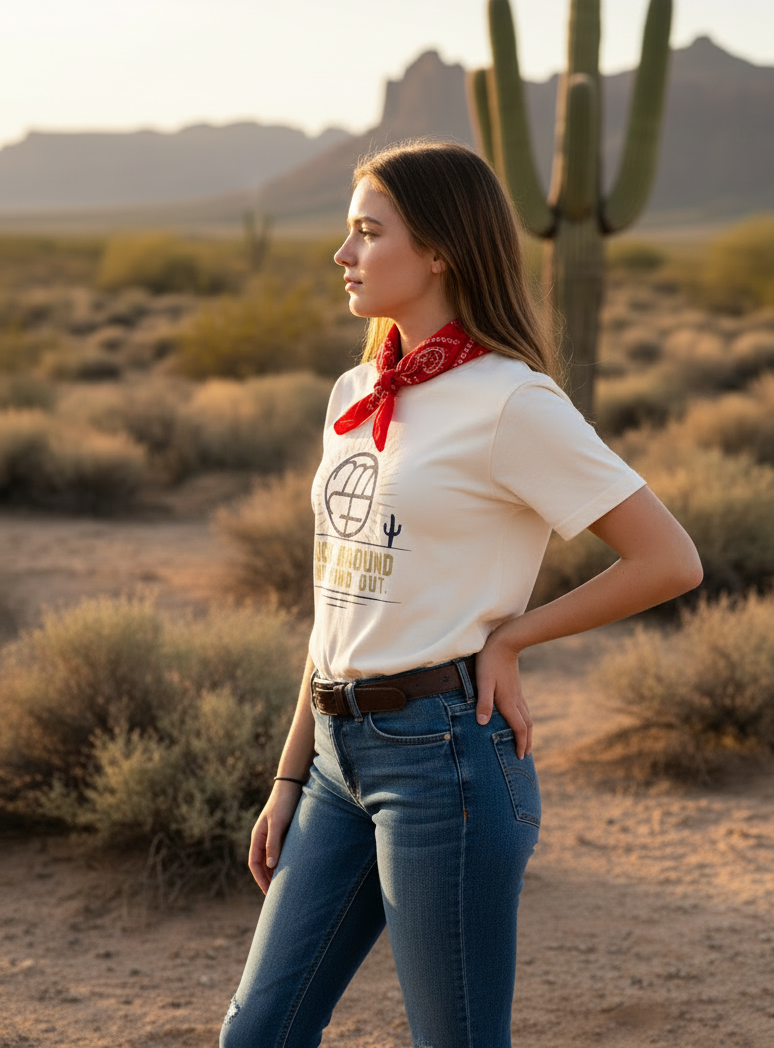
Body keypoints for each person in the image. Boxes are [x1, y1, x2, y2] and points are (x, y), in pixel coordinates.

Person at [220, 141, 702, 1048]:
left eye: (368, 232)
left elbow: (669, 559)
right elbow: (338, 603)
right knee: (258, 1034)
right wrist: (290, 775)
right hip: (334, 757)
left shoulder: (511, 402)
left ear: (438, 249)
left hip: (444, 764)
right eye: (348, 231)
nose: (344, 253)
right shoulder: (354, 393)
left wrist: (510, 639)